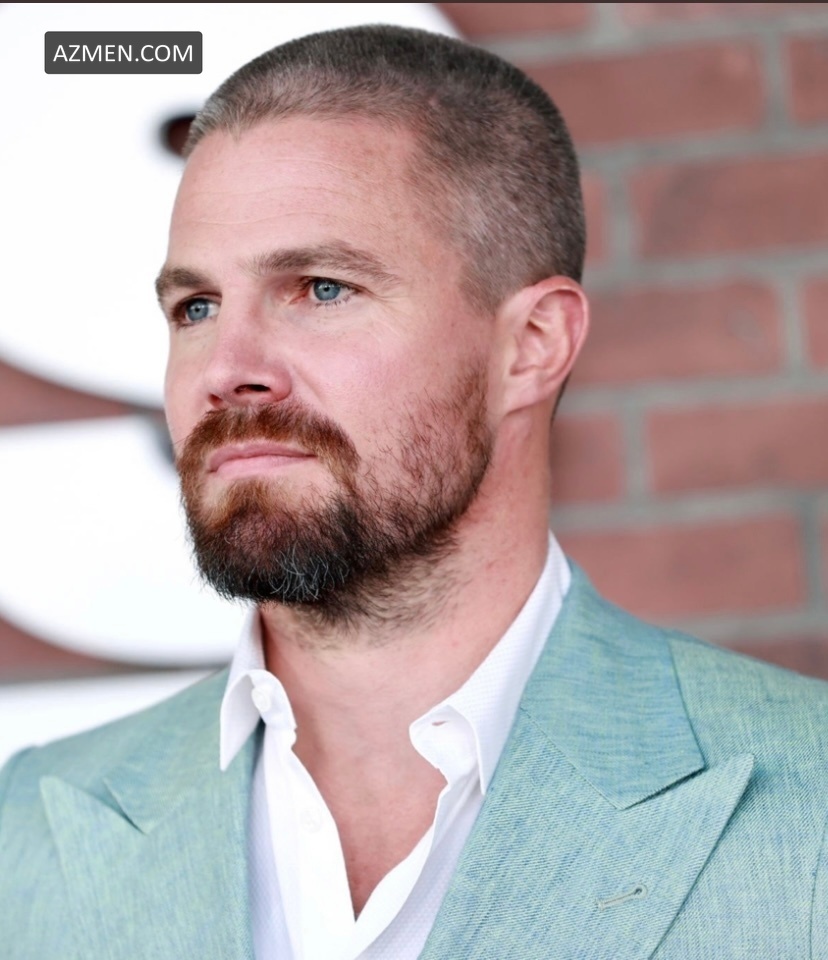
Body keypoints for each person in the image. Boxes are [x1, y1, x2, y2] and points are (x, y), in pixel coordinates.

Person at [2, 24, 828, 960]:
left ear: (532, 346)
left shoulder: (806, 809)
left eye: (321, 288)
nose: (226, 370)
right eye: (196, 307)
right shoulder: (27, 838)